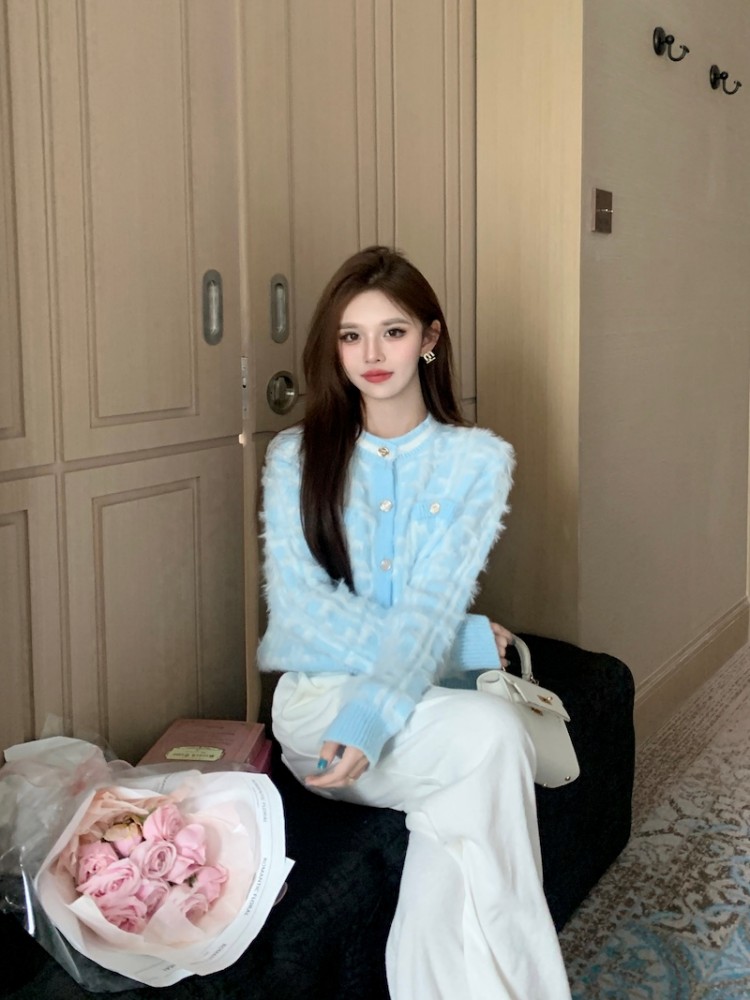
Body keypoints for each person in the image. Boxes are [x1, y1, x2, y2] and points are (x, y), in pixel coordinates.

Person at [258, 246, 572, 1000]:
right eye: (351, 336)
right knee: (492, 737)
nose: (371, 355)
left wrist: (433, 648)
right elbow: (303, 621)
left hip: (422, 703)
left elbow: (431, 604)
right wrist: (459, 643)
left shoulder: (475, 463)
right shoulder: (294, 457)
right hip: (320, 715)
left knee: (466, 802)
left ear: (429, 338)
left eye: (392, 332)